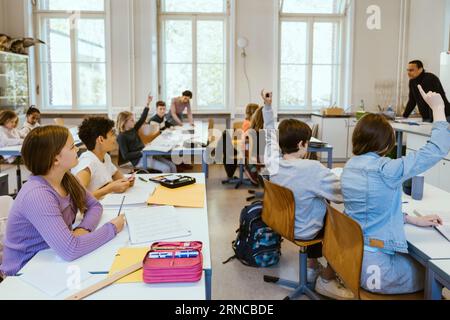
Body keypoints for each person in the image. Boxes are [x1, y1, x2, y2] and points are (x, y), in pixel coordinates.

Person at [341, 85, 450, 294]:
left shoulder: (349, 166)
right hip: (378, 272)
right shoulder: (387, 170)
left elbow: (372, 210)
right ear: (386, 143)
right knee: (435, 274)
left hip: (353, 261)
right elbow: (437, 149)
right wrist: (438, 108)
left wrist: (410, 219)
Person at [262, 89, 354, 300]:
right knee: (343, 222)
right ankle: (326, 280)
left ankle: (312, 266)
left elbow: (268, 135)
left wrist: (267, 107)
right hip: (305, 230)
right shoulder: (313, 168)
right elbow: (342, 194)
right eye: (307, 142)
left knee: (313, 205)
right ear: (302, 144)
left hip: (282, 223)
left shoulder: (273, 161)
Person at [0, 126, 125, 277]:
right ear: (55, 159)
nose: (78, 150)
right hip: (25, 272)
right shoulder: (37, 194)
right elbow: (70, 249)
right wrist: (111, 228)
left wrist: (83, 229)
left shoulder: (66, 179)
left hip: (52, 258)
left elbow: (94, 206)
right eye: (72, 147)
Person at [72, 117, 134, 200]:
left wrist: (128, 181)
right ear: (101, 139)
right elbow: (78, 198)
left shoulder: (105, 157)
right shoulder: (87, 164)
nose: (115, 138)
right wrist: (109, 189)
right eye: (112, 134)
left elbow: (119, 177)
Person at [116, 95, 177, 173]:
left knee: (172, 166)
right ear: (124, 122)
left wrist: (148, 103)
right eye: (131, 120)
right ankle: (167, 184)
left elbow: (142, 118)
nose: (134, 121)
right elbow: (126, 156)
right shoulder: (121, 137)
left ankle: (175, 183)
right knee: (166, 169)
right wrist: (141, 152)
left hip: (146, 153)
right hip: (138, 160)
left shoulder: (133, 129)